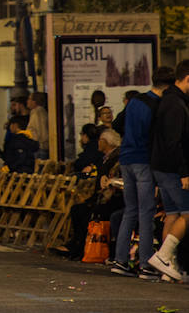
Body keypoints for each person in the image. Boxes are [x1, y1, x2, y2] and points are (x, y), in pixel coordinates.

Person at [110, 67, 170, 279]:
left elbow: (117, 123)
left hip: (126, 158)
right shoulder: (157, 105)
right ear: (169, 86)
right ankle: (145, 263)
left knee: (130, 210)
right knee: (146, 212)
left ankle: (120, 260)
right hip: (143, 160)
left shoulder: (136, 100)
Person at [147, 60, 189, 282]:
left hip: (161, 167)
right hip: (173, 169)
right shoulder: (176, 104)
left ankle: (167, 265)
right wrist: (184, 172)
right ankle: (164, 256)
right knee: (187, 213)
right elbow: (175, 141)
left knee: (172, 214)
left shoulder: (167, 100)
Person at [58, 129, 122, 259]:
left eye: (99, 140)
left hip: (111, 199)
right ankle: (76, 244)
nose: (97, 143)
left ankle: (79, 247)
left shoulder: (115, 158)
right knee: (78, 209)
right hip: (101, 196)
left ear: (105, 142)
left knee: (86, 212)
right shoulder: (105, 158)